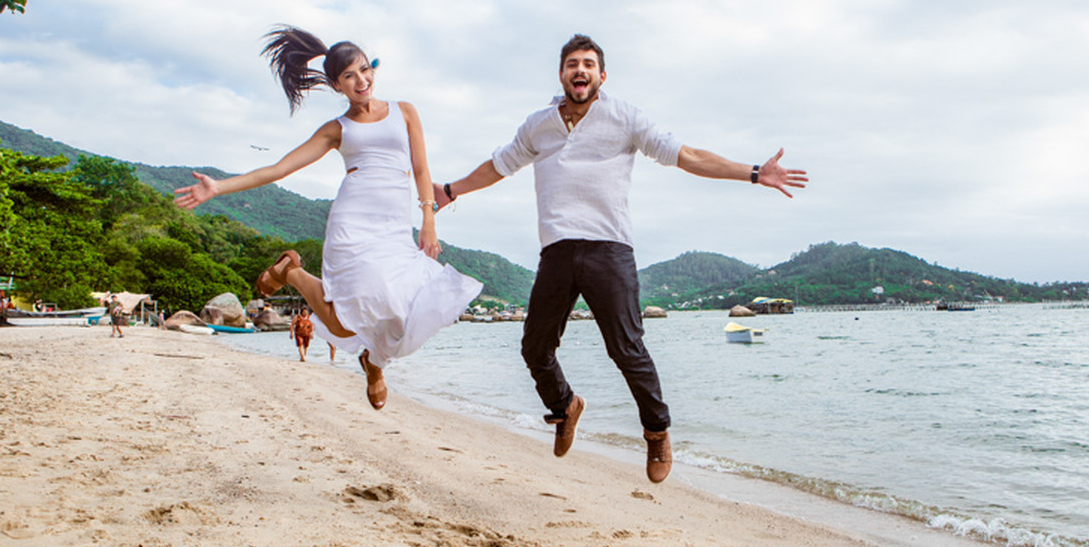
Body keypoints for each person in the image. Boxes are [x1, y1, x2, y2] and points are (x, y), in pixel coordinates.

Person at [434, 34, 807, 483]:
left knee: (626, 348)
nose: (580, 70)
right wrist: (451, 190)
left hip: (609, 248)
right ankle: (564, 406)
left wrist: (751, 173)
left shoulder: (624, 117)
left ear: (601, 75)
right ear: (561, 75)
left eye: (589, 64)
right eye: (573, 63)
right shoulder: (538, 125)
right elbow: (498, 165)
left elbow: (685, 156)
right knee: (534, 346)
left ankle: (656, 432)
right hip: (556, 249)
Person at [175, 26, 481, 409]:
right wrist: (218, 187)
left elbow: (421, 169)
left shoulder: (405, 112)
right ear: (337, 85)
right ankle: (292, 273)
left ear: (372, 69)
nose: (361, 80)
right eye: (349, 76)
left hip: (394, 227)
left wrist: (429, 219)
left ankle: (373, 361)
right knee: (340, 323)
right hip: (352, 224)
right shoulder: (338, 129)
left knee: (404, 309)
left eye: (364, 70)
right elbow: (279, 168)